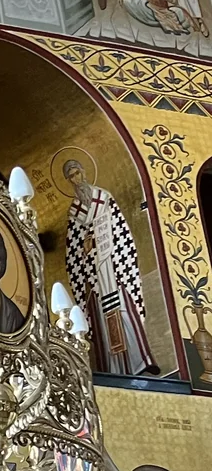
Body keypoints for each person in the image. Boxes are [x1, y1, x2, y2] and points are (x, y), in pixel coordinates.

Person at [63, 160, 157, 375]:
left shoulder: (103, 198)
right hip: (95, 277)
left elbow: (122, 230)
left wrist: (118, 257)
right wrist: (84, 250)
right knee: (103, 322)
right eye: (72, 177)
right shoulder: (74, 212)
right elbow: (73, 252)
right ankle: (111, 370)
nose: (77, 179)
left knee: (124, 310)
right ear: (69, 181)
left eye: (78, 173)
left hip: (115, 269)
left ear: (84, 172)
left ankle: (140, 361)